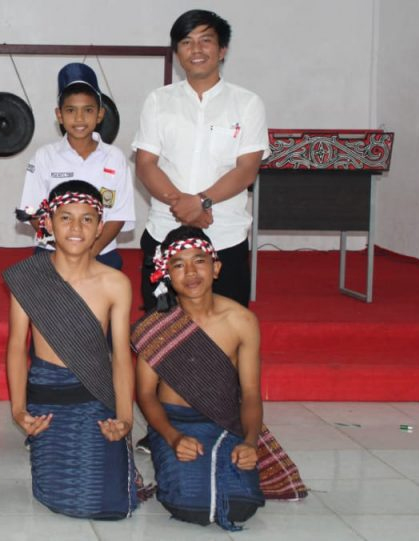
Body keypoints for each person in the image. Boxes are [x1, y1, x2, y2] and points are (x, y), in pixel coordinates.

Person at [132, 226, 307, 531]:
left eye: (199, 261)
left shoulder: (242, 321)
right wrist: (173, 438)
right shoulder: (156, 326)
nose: (190, 272)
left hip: (225, 422)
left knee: (242, 503)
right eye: (178, 264)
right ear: (166, 274)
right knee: (190, 505)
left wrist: (250, 443)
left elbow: (250, 394)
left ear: (216, 268)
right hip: (174, 423)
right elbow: (146, 395)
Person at [5, 180, 140, 520]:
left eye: (87, 219)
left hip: (94, 395)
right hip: (47, 399)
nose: (76, 228)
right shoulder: (28, 276)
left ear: (100, 228)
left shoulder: (115, 283)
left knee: (109, 505)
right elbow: (17, 348)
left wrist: (125, 418)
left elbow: (121, 356)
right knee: (60, 499)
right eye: (66, 218)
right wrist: (19, 410)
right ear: (48, 223)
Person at [132, 9, 270, 311]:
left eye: (205, 40)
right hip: (164, 231)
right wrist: (183, 205)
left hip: (224, 237)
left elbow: (246, 170)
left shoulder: (247, 103)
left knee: (227, 328)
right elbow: (145, 164)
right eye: (186, 42)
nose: (196, 49)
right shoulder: (158, 101)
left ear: (222, 50)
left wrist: (200, 202)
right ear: (177, 53)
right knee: (162, 329)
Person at [18, 63, 135, 271]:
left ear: (100, 114)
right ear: (59, 115)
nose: (79, 118)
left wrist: (90, 253)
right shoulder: (44, 157)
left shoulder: (115, 158)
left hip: (101, 253)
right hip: (52, 253)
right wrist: (63, 251)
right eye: (71, 110)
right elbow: (32, 211)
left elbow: (119, 215)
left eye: (88, 110)